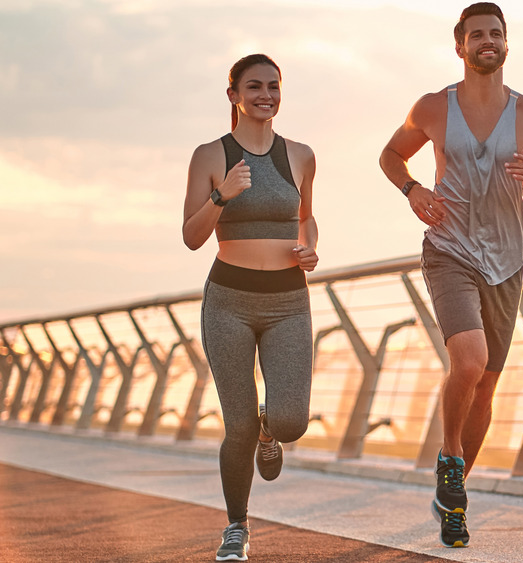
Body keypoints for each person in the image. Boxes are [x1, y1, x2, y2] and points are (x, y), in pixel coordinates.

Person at [379, 2, 523, 548]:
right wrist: (413, 189)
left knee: (486, 385)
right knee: (470, 360)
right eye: (477, 35)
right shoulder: (432, 108)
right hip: (449, 252)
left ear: (506, 43)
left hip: (506, 262)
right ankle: (449, 458)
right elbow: (391, 155)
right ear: (459, 46)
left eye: (496, 33)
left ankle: (453, 499)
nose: (487, 41)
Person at [182, 53, 319, 562]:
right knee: (236, 425)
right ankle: (236, 526)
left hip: (288, 302)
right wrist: (221, 196)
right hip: (229, 302)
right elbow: (191, 237)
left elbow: (306, 218)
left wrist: (309, 248)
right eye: (255, 86)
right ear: (234, 95)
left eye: (274, 86)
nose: (266, 95)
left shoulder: (301, 155)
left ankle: (271, 428)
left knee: (291, 422)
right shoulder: (210, 154)